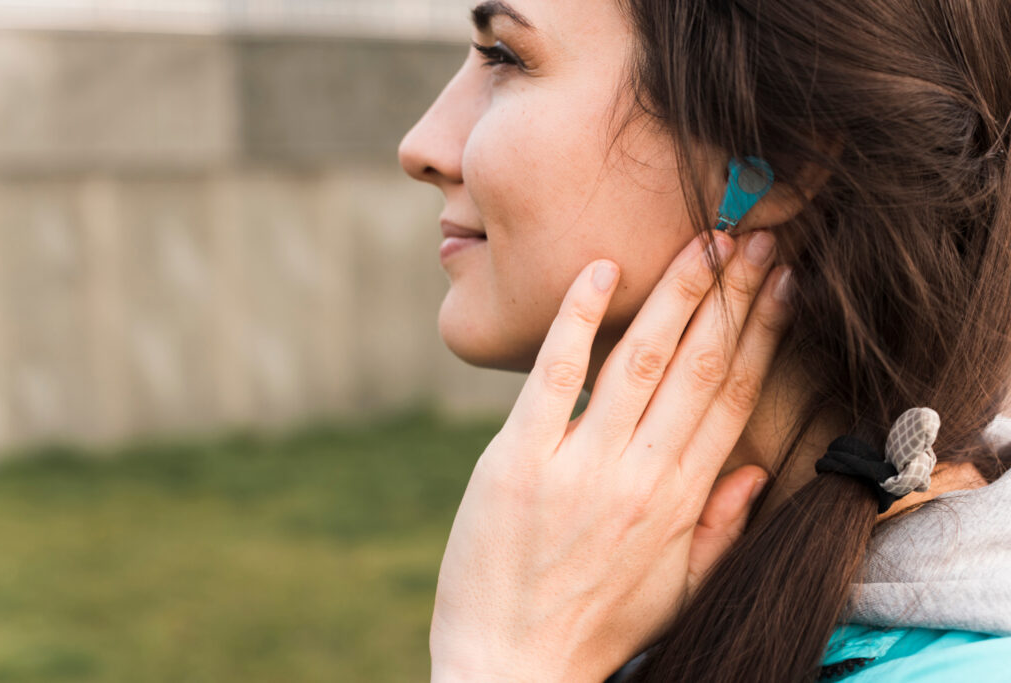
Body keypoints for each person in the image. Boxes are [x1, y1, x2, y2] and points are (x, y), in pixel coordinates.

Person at [398, 0, 1011, 681]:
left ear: (778, 159)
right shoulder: (624, 598)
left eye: (504, 57)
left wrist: (503, 664)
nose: (421, 145)